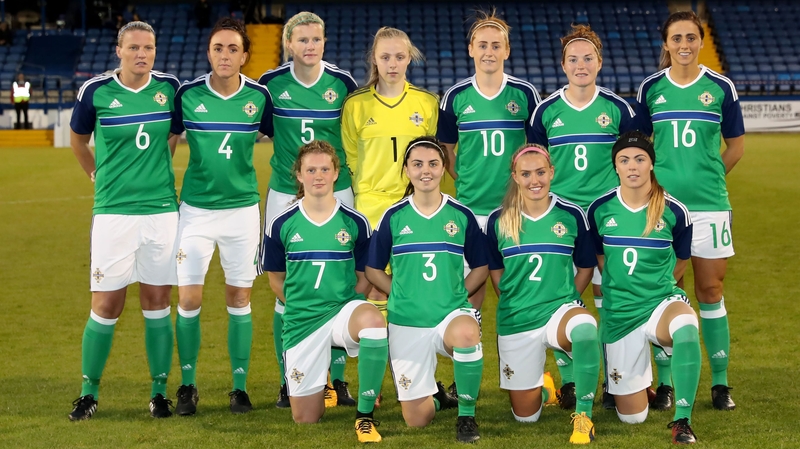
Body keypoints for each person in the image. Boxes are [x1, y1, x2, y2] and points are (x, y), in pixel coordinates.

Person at [68, 21, 181, 421]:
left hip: (161, 213)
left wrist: (156, 171)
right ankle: (88, 392)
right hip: (114, 213)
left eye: (148, 47)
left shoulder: (169, 88)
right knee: (107, 303)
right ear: (119, 50)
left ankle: (159, 392)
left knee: (157, 302)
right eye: (133, 47)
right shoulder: (96, 91)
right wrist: (98, 176)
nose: (141, 54)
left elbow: (174, 134)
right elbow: (78, 140)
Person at [635, 10, 744, 411]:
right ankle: (665, 384)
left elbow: (735, 147)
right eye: (676, 38)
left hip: (710, 206)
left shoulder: (720, 87)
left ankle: (720, 383)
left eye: (691, 38)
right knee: (667, 292)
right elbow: (638, 147)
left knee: (710, 291)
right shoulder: (650, 89)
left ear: (701, 41)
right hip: (661, 208)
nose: (684, 45)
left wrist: (711, 176)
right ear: (666, 43)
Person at [528, 24, 637, 411]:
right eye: (573, 58)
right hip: (561, 219)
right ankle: (571, 382)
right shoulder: (546, 111)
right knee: (564, 295)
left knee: (613, 294)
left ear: (600, 62)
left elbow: (636, 163)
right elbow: (537, 168)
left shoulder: (619, 109)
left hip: (609, 216)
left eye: (588, 58)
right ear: (562, 64)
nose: (580, 64)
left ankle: (615, 377)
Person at [169, 17, 273, 416]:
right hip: (195, 211)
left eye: (233, 49)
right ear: (208, 53)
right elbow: (169, 142)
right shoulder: (188, 94)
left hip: (242, 212)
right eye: (218, 48)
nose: (225, 55)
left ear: (245, 55)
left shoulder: (259, 98)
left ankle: (239, 386)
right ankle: (188, 385)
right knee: (189, 298)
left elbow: (281, 141)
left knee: (240, 297)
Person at [258, 11, 359, 409]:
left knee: (340, 284)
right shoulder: (270, 85)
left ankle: (337, 380)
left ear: (324, 41)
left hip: (339, 192)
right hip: (285, 194)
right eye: (302, 40)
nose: (310, 46)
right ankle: (290, 378)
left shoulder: (342, 83)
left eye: (316, 39)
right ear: (288, 44)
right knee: (286, 291)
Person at [262, 141, 388, 443]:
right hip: (302, 321)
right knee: (306, 418)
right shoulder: (282, 223)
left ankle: (365, 416)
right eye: (310, 169)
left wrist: (347, 304)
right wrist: (301, 306)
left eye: (324, 169)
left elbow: (364, 276)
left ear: (335, 174)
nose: (317, 175)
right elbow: (275, 279)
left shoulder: (354, 222)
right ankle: (320, 385)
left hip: (341, 312)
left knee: (372, 322)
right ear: (299, 175)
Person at [366, 136, 488, 443]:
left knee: (467, 333)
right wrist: (400, 292)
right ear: (406, 170)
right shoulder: (393, 216)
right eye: (417, 164)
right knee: (417, 420)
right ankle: (437, 397)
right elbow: (372, 270)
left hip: (450, 314)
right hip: (407, 319)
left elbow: (481, 267)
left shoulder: (461, 215)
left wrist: (457, 295)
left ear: (444, 167)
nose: (426, 171)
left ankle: (467, 417)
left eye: (433, 164)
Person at [588, 131, 700, 444]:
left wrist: (655, 286)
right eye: (624, 160)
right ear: (616, 167)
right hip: (621, 312)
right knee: (632, 417)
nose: (632, 166)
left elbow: (680, 262)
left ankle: (682, 419)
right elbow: (601, 259)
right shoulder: (600, 210)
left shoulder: (675, 210)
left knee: (687, 326)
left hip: (660, 302)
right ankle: (641, 379)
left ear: (651, 163)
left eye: (640, 159)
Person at [486, 144, 600, 444]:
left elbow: (586, 267)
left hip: (559, 312)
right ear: (515, 176)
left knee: (586, 328)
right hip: (517, 318)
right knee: (526, 417)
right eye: (525, 174)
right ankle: (546, 388)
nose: (534, 180)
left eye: (540, 172)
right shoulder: (499, 220)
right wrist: (517, 300)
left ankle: (583, 416)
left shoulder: (571, 214)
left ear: (552, 172)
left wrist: (566, 300)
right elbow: (496, 273)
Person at [437, 10, 540, 332]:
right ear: (470, 49)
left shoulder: (525, 95)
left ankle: (526, 363)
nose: (489, 52)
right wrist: (467, 179)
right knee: (469, 295)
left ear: (507, 51)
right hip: (470, 209)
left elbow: (537, 153)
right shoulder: (456, 97)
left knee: (516, 290)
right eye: (482, 45)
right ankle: (466, 370)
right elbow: (447, 151)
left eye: (496, 46)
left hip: (515, 210)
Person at [341, 26, 439, 317]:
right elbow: (351, 159)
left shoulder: (427, 103)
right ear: (374, 59)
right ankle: (378, 345)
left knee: (412, 278)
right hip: (371, 205)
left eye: (399, 56)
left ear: (409, 58)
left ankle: (405, 347)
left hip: (413, 205)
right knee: (374, 283)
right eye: (385, 57)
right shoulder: (356, 105)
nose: (392, 64)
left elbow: (431, 161)